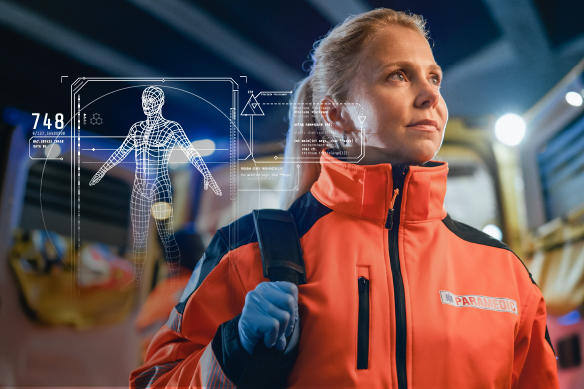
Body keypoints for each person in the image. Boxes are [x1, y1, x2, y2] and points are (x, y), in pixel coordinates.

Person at [130, 8, 559, 388]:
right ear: (336, 114)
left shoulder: (505, 274)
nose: (431, 95)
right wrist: (233, 348)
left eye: (433, 77)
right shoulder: (247, 254)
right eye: (398, 75)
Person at [89, 86, 221, 276]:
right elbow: (121, 153)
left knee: (165, 237)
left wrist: (208, 176)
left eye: (152, 103)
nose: (148, 107)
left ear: (159, 104)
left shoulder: (171, 128)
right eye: (145, 103)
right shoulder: (138, 128)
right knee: (140, 241)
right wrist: (102, 171)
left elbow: (193, 155)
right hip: (140, 192)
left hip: (163, 189)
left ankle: (169, 276)